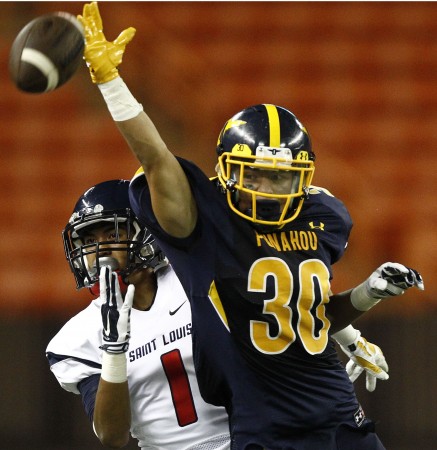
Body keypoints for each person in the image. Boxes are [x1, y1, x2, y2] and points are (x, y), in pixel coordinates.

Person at [76, 3, 424, 449]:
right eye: (256, 174)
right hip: (264, 428)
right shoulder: (207, 224)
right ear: (226, 172)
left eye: (282, 177)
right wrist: (111, 82)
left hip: (338, 415)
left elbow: (306, 315)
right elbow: (156, 158)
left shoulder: (324, 216)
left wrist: (367, 297)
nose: (269, 188)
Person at [46, 179, 231, 450]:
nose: (100, 250)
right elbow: (112, 435)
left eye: (112, 235)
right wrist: (114, 350)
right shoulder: (80, 336)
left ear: (146, 234)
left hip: (244, 438)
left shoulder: (195, 280)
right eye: (88, 241)